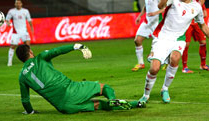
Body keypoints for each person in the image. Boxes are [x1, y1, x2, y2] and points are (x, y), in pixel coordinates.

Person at [138, 0, 209, 103]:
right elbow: (160, 5)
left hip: (179, 38)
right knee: (154, 68)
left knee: (175, 58)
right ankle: (146, 95)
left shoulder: (197, 7)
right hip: (162, 37)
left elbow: (203, 26)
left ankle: (165, 89)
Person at [16, 43, 145, 114]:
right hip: (71, 90)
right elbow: (57, 50)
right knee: (103, 87)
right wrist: (77, 46)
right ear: (30, 52)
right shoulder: (40, 57)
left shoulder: (22, 76)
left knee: (98, 105)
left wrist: (30, 112)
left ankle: (137, 104)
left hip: (64, 107)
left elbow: (25, 100)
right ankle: (114, 100)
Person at [180, 0, 209, 73]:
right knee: (186, 44)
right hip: (187, 22)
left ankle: (203, 65)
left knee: (203, 42)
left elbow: (200, 1)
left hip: (197, 20)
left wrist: (203, 9)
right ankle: (184, 67)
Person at [132, 0, 164, 71]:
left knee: (159, 44)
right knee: (137, 40)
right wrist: (140, 16)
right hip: (147, 21)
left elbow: (165, 7)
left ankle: (167, 61)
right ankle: (141, 63)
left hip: (157, 22)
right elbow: (146, 5)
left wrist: (155, 13)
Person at [6, 0, 34, 66]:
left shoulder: (26, 11)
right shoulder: (11, 11)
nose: (18, 4)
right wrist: (8, 23)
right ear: (14, 4)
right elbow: (7, 19)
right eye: (16, 3)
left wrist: (32, 28)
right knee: (13, 46)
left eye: (19, 3)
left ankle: (29, 61)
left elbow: (29, 20)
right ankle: (9, 62)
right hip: (16, 32)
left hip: (24, 32)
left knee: (27, 46)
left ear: (21, 4)